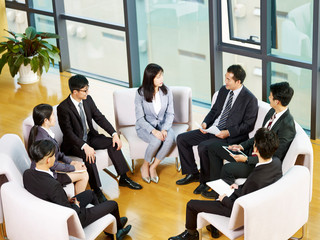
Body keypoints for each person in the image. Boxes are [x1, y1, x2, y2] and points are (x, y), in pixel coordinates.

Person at [168, 128, 282, 240]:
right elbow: (253, 186)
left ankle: (191, 234)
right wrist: (239, 186)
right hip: (245, 197)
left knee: (191, 204)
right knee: (220, 190)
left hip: (233, 207)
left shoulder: (256, 178)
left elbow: (238, 208)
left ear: (255, 149)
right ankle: (212, 226)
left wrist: (224, 199)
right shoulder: (276, 163)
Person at [201, 81, 295, 199]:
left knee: (227, 169)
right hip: (249, 152)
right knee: (213, 148)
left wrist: (247, 159)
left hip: (258, 163)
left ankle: (227, 197)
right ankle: (216, 186)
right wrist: (241, 146)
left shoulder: (287, 125)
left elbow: (274, 156)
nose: (269, 97)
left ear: (277, 101)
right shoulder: (272, 111)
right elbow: (258, 136)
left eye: (270, 96)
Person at [57, 74, 142, 202]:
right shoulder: (63, 108)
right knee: (89, 155)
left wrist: (114, 134)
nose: (88, 92)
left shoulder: (88, 100)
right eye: (85, 90)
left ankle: (123, 177)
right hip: (74, 143)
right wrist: (85, 146)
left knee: (112, 143)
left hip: (90, 137)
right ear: (75, 92)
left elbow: (99, 117)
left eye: (87, 89)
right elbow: (68, 133)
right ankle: (96, 190)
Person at [23, 140, 131, 240]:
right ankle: (118, 230)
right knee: (113, 204)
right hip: (75, 218)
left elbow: (46, 195)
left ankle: (109, 226)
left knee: (91, 194)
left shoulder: (27, 174)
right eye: (53, 155)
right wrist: (75, 205)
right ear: (48, 160)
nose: (55, 157)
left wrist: (65, 200)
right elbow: (71, 212)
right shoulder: (53, 185)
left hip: (55, 207)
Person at [176, 65, 258, 189]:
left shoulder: (250, 99)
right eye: (225, 78)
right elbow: (214, 110)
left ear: (238, 81)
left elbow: (248, 125)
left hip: (229, 137)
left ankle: (205, 181)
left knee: (204, 147)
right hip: (212, 129)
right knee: (182, 139)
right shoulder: (224, 90)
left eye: (228, 79)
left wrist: (228, 132)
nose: (225, 82)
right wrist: (205, 123)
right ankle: (192, 173)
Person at [28, 103, 89, 195]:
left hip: (51, 168)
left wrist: (71, 162)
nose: (54, 116)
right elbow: (52, 165)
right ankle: (78, 205)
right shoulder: (43, 139)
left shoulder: (44, 132)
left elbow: (58, 153)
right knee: (84, 175)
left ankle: (77, 202)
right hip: (48, 176)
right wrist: (73, 168)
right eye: (52, 114)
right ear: (46, 120)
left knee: (81, 169)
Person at [135, 63, 175, 183]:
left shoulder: (167, 91)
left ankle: (153, 166)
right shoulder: (140, 93)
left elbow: (170, 114)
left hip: (163, 125)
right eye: (158, 77)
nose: (161, 79)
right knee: (156, 140)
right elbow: (140, 119)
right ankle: (145, 165)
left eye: (161, 75)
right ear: (150, 78)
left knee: (169, 139)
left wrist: (164, 129)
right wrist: (153, 131)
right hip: (145, 127)